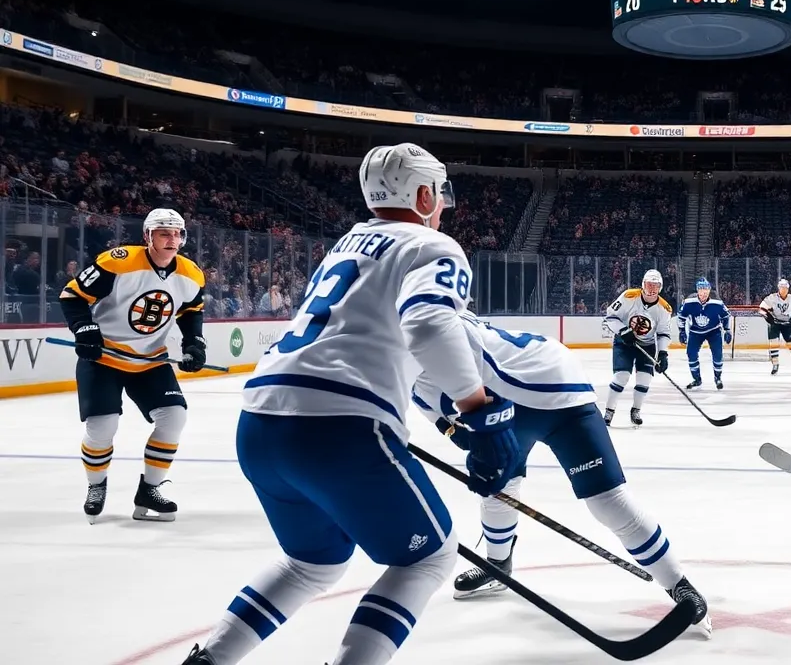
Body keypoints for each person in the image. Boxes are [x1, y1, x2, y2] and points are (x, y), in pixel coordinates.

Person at [180, 143, 520, 665]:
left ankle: (209, 660)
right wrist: (477, 409)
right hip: (341, 426)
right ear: (423, 195)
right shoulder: (432, 245)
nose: (443, 206)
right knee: (429, 558)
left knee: (311, 561)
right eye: (439, 194)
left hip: (260, 422)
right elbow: (429, 324)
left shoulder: (347, 243)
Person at [410, 311, 712, 637]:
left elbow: (471, 394)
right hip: (511, 406)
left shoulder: (434, 329)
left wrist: (482, 448)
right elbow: (453, 429)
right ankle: (498, 565)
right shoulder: (412, 383)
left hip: (555, 385)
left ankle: (678, 584)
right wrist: (473, 448)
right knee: (498, 490)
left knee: (608, 501)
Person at [59, 208, 207, 523]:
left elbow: (192, 310)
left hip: (150, 360)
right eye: (164, 233)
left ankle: (149, 490)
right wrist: (85, 329)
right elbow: (72, 296)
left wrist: (194, 343)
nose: (172, 239)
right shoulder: (118, 262)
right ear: (147, 236)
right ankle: (96, 485)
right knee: (103, 427)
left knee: (174, 417)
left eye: (177, 233)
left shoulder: (191, 274)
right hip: (104, 358)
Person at [601, 269, 674, 428]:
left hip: (647, 345)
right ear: (643, 285)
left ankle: (636, 410)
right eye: (649, 285)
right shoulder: (629, 296)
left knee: (644, 379)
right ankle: (609, 411)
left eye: (656, 285)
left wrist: (663, 353)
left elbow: (663, 333)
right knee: (621, 376)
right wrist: (623, 330)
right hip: (624, 343)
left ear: (660, 287)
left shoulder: (664, 308)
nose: (652, 289)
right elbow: (611, 316)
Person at [677, 277, 731, 389]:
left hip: (714, 331)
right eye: (701, 290)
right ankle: (697, 379)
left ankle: (718, 378)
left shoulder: (717, 303)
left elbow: (726, 316)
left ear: (709, 290)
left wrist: (727, 330)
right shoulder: (689, 302)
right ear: (697, 290)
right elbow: (681, 317)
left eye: (706, 290)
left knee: (718, 355)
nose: (704, 293)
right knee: (691, 354)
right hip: (695, 332)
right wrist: (681, 331)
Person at [758, 278, 791, 375]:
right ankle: (775, 364)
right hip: (774, 324)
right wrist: (768, 317)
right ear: (778, 288)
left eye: (785, 288)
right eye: (781, 287)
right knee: (773, 344)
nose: (783, 290)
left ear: (788, 289)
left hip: (787, 324)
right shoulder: (772, 298)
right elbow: (761, 309)